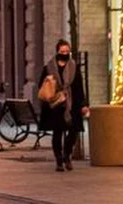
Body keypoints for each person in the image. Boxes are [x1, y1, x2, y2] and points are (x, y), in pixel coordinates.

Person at [38, 40, 88, 172]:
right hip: (55, 104)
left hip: (72, 104)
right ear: (57, 52)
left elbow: (79, 87)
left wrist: (83, 104)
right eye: (62, 52)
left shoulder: (74, 67)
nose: (65, 54)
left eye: (67, 51)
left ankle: (67, 154)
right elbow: (41, 85)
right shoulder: (49, 67)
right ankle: (59, 160)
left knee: (73, 131)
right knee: (57, 132)